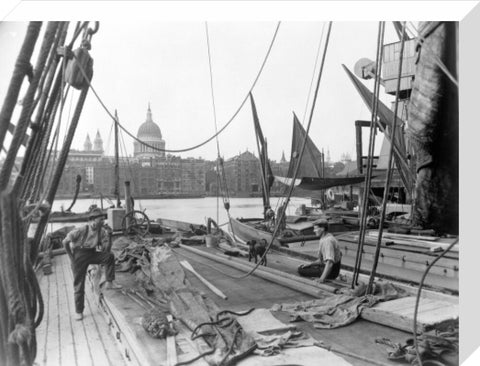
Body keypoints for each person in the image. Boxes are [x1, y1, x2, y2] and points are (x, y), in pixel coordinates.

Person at [63, 208, 121, 321]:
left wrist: (109, 236)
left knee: (109, 257)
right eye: (100, 220)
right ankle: (79, 311)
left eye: (103, 220)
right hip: (79, 255)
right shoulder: (81, 230)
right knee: (79, 284)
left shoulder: (102, 231)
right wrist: (71, 257)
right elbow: (65, 242)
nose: (103, 222)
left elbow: (106, 251)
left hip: (92, 253)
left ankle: (110, 282)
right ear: (92, 220)